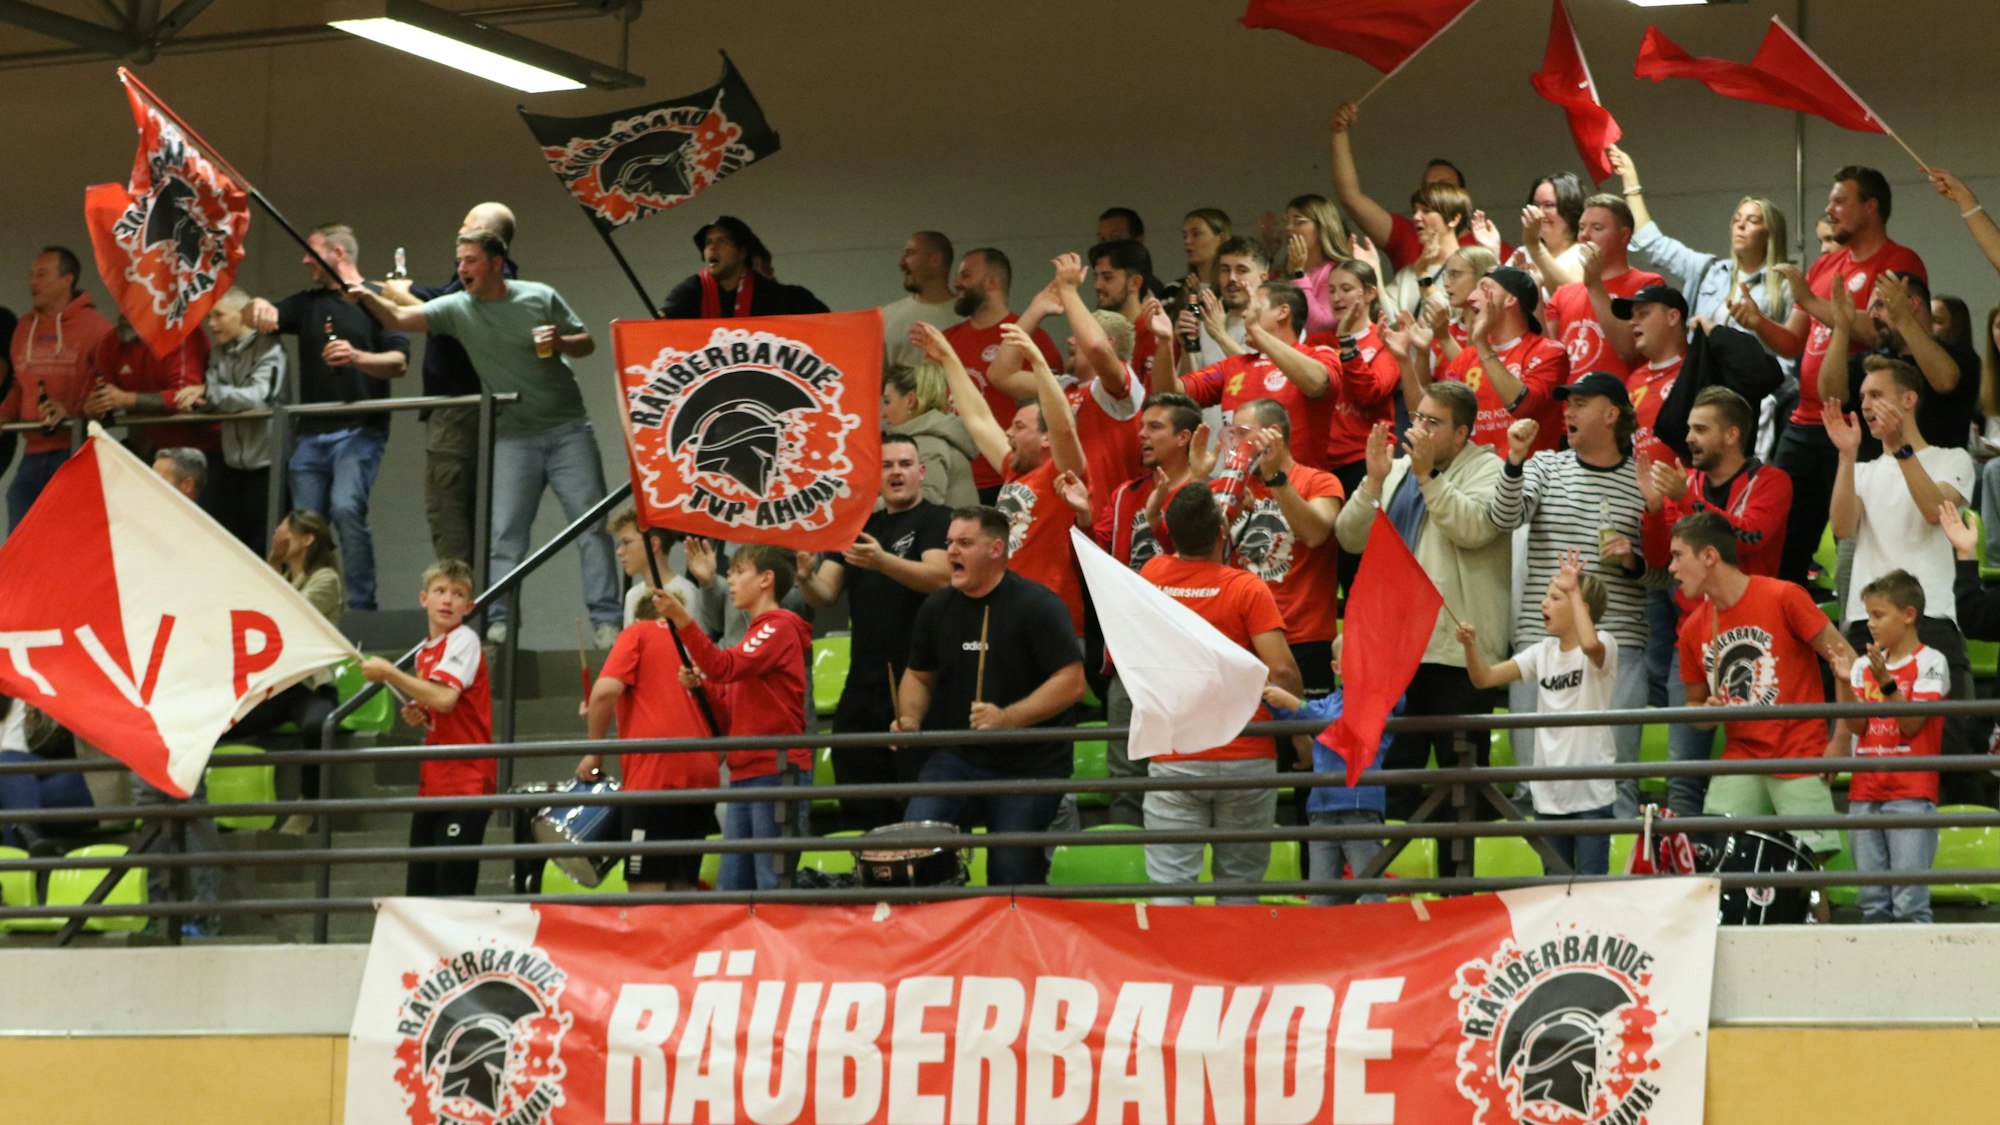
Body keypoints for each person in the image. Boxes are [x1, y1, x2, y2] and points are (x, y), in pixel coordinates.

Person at [348, 229, 620, 646]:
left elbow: (587, 342)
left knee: (592, 526)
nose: (461, 269)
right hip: (513, 436)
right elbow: (397, 318)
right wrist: (363, 293)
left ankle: (606, 622)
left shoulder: (539, 296)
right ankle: (500, 622)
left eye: (470, 260)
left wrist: (561, 340)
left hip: (568, 430)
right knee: (505, 535)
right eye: (459, 261)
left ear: (496, 262)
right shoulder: (457, 308)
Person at [1737, 166, 1928, 589]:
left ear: (1871, 207)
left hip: (1856, 422)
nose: (1829, 208)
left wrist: (1807, 298)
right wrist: (1757, 323)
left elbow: (1878, 330)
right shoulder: (1827, 264)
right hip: (1804, 420)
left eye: (1841, 201)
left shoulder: (1899, 261)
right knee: (1782, 534)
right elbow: (1792, 342)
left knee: (1856, 537)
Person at [1335, 384, 1512, 820]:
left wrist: (1428, 478)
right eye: (1416, 417)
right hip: (1396, 650)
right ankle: (1395, 880)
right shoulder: (1395, 472)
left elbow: (1473, 529)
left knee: (1462, 782)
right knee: (1396, 778)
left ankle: (1464, 885)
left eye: (1432, 422)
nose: (1418, 428)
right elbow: (1349, 536)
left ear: (1461, 433)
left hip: (1458, 654)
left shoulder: (1489, 470)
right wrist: (1374, 481)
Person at [1489, 375, 1660, 818]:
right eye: (1568, 404)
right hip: (1541, 643)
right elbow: (1505, 517)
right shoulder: (1545, 465)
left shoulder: (1642, 479)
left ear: (1612, 414)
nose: (1568, 412)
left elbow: (1669, 575)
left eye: (1581, 404)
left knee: (1617, 780)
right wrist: (1514, 461)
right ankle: (1540, 884)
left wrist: (1634, 562)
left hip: (1616, 642)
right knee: (1531, 780)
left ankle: (1612, 887)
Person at [895, 506, 1087, 886]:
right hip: (956, 755)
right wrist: (911, 717)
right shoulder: (937, 608)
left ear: (996, 549)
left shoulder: (1037, 605)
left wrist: (1006, 718)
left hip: (1030, 763)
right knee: (916, 844)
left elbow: (1072, 681)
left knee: (1011, 871)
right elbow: (918, 675)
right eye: (949, 542)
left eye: (964, 543)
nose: (951, 552)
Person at [1136, 486, 1300, 903]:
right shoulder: (1248, 589)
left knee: (1170, 890)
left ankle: (1170, 969)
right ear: (1222, 533)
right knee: (1240, 888)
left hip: (1175, 754)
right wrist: (1302, 735)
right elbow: (1281, 669)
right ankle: (1236, 967)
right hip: (1247, 753)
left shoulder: (1151, 576)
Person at [1638, 387, 1792, 816]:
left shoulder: (1771, 481)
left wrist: (1686, 499)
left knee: (1770, 772)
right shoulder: (1684, 485)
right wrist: (1654, 508)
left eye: (1700, 429)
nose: (1689, 437)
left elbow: (1749, 537)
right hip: (1694, 645)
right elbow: (1657, 561)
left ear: (1731, 435)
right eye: (1689, 428)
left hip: (1759, 644)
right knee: (1683, 777)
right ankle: (1688, 876)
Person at [1669, 511, 1856, 861]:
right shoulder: (1693, 627)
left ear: (1709, 556)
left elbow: (1848, 662)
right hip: (1742, 757)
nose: (1671, 568)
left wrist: (1841, 738)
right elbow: (1694, 708)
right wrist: (1705, 715)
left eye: (1678, 556)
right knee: (1718, 858)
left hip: (1800, 751)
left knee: (1805, 867)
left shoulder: (1784, 596)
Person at [246, 224, 410, 611]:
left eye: (312, 252)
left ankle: (360, 607)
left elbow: (399, 362)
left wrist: (357, 357)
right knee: (305, 525)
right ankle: (308, 605)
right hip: (312, 434)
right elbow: (250, 312)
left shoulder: (377, 301)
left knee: (346, 507)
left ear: (338, 253)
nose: (305, 260)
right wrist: (258, 306)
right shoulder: (308, 303)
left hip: (361, 430)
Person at [797, 434, 952, 831]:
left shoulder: (937, 519)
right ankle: (872, 880)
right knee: (859, 789)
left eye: (904, 464)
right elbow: (826, 593)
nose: (896, 472)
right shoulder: (859, 525)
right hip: (864, 680)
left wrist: (883, 562)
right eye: (887, 466)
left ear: (921, 472)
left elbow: (940, 577)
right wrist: (804, 578)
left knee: (919, 799)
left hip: (922, 679)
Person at [1827, 357, 1976, 765]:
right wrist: (1845, 455)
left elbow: (1934, 511)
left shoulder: (1953, 459)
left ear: (1908, 399)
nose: (1865, 405)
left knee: (1947, 755)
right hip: (1866, 624)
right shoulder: (1863, 469)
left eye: (1876, 395)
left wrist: (1902, 449)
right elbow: (1842, 528)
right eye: (1862, 397)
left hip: (1931, 619)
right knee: (1873, 753)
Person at [655, 545, 813, 891]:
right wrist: (703, 689)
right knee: (732, 889)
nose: (731, 579)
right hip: (747, 772)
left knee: (772, 886)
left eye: (740, 571)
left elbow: (723, 667)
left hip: (776, 771)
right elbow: (727, 714)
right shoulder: (754, 638)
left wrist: (683, 619)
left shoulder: (780, 627)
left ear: (766, 579)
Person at [919, 319, 1089, 633]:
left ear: (1046, 438)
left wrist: (1038, 363)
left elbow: (1064, 426)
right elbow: (979, 418)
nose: (1008, 432)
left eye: (1020, 427)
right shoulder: (1014, 469)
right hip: (1006, 609)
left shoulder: (1063, 474)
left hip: (1049, 613)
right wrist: (949, 359)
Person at [1086, 390, 1207, 824]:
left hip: (1188, 659)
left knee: (1189, 772)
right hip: (1131, 657)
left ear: (1184, 437)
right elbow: (1105, 559)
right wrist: (1083, 517)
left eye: (1155, 427)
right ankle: (1126, 880)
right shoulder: (1124, 496)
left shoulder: (1206, 493)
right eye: (1142, 426)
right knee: (1126, 778)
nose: (1142, 435)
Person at [1458, 551, 1619, 875]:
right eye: (1548, 596)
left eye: (1555, 597)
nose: (1545, 603)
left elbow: (1589, 646)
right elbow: (1485, 678)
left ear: (1580, 609)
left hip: (1591, 796)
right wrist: (1470, 646)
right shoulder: (1541, 652)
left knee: (1592, 893)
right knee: (1555, 895)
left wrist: (1574, 590)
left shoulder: (1605, 643)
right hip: (1548, 798)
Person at [382, 201, 518, 567]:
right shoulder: (490, 281)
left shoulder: (490, 285)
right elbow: (444, 302)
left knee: (450, 514)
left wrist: (401, 298)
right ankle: (479, 611)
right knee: (474, 522)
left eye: (467, 223)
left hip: (459, 411)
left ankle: (464, 609)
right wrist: (404, 292)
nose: (459, 229)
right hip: (472, 409)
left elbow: (449, 322)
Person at [361, 559, 494, 897]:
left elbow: (447, 697)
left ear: (469, 605)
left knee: (452, 886)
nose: (448, 600)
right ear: (424, 598)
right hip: (435, 779)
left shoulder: (464, 639)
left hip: (466, 780)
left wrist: (391, 673)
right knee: (420, 886)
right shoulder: (425, 652)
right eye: (440, 591)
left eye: (458, 593)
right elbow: (441, 708)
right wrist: (424, 714)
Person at [573, 600, 723, 893]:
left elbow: (605, 692)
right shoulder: (700, 647)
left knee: (647, 896)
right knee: (683, 890)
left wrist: (595, 752)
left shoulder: (637, 632)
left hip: (655, 779)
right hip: (702, 781)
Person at [987, 255, 1141, 529]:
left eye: (1076, 334)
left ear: (1111, 343)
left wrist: (1069, 290)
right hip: (1061, 519)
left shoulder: (1121, 391)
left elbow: (1094, 347)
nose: (1070, 339)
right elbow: (1001, 374)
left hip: (1104, 524)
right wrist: (1036, 310)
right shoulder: (1066, 385)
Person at [226, 510, 345, 834]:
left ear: (307, 539)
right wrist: (274, 563)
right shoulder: (284, 578)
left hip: (310, 684)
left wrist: (273, 569)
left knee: (317, 725)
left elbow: (283, 616)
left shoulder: (326, 579)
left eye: (286, 531)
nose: (278, 535)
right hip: (276, 685)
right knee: (220, 724)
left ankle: (308, 805)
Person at [1840, 568, 1946, 924]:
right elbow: (1856, 724)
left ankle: (1919, 981)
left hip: (1911, 794)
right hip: (1863, 791)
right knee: (1872, 905)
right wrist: (1843, 681)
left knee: (1910, 904)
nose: (1870, 623)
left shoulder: (1932, 662)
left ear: (1909, 614)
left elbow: (1912, 723)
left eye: (1879, 614)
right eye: (1868, 614)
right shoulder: (1860, 667)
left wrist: (1885, 679)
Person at [1610, 144, 1795, 343]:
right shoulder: (1709, 270)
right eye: (1737, 219)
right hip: (1703, 373)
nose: (1740, 225)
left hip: (1754, 374)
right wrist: (1631, 182)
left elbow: (1788, 355)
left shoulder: (1785, 286)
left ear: (1770, 234)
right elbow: (1653, 244)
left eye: (1752, 221)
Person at [1155, 280, 1339, 471]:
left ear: (1282, 312)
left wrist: (1256, 330)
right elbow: (1169, 395)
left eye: (1253, 307)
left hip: (1299, 491)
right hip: (1238, 491)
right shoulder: (1234, 366)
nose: (1244, 314)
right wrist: (1164, 342)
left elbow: (1317, 384)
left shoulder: (1319, 355)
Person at [1398, 266, 1569, 457]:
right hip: (1474, 477)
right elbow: (1424, 415)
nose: (1471, 297)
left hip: (1528, 477)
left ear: (1510, 299)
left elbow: (1522, 406)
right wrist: (1406, 359)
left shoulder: (1550, 351)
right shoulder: (1467, 357)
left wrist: (1481, 344)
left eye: (1484, 288)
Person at [1261, 668, 1396, 905]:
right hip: (1322, 811)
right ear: (1336, 667)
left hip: (1360, 809)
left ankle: (1377, 941)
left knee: (1371, 896)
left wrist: (1295, 703)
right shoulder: (1329, 702)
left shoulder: (1379, 701)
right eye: (1352, 655)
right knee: (1321, 899)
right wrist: (1268, 694)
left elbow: (1339, 724)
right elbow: (1298, 716)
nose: (1360, 661)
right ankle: (1326, 942)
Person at [1328, 100, 1506, 279]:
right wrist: (1339, 133)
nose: (1432, 193)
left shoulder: (1490, 245)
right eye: (1427, 187)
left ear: (1464, 196)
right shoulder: (1407, 235)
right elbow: (1350, 197)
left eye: (1443, 185)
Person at [940, 247, 1065, 500]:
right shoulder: (945, 341)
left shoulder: (1033, 339)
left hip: (1008, 474)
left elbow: (1053, 412)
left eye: (965, 275)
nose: (956, 283)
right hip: (955, 477)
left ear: (992, 282)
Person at [3, 246, 114, 527]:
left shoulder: (96, 327)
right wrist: (4, 416)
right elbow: (19, 384)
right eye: (31, 275)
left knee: (68, 533)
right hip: (32, 452)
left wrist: (73, 410)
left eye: (41, 274)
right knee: (21, 526)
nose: (32, 282)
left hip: (76, 450)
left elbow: (105, 388)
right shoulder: (25, 326)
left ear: (67, 280)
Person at [1821, 269, 1977, 452]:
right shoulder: (1871, 361)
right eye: (1871, 308)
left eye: (1880, 305)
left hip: (1937, 474)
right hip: (1879, 473)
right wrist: (1841, 327)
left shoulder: (1960, 357)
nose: (1872, 315)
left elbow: (1945, 381)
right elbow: (1832, 397)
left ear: (1913, 305)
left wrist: (1903, 317)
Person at [184, 289, 284, 550]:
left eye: (218, 315)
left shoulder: (271, 347)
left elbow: (259, 398)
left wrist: (209, 394)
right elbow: (214, 400)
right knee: (230, 546)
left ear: (242, 315)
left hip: (267, 464)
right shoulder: (217, 353)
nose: (211, 324)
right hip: (231, 463)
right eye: (209, 317)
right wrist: (198, 402)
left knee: (265, 546)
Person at [1544, 194, 1664, 380]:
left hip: (1620, 404)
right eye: (1582, 227)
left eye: (1597, 228)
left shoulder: (1647, 284)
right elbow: (1547, 359)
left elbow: (1627, 349)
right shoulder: (1563, 293)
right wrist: (1534, 293)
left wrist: (1594, 286)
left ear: (1623, 235)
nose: (1584, 235)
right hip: (1570, 405)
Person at [85, 317, 213, 463]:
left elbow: (184, 397)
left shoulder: (181, 331)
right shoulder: (112, 341)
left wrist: (126, 399)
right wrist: (95, 404)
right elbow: (96, 392)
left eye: (133, 305)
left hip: (197, 449)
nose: (124, 314)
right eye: (123, 305)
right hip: (147, 448)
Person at [660, 215, 828, 318]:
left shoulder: (773, 295)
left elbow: (826, 325)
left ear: (742, 253)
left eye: (722, 241)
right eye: (708, 242)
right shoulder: (692, 290)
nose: (712, 247)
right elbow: (660, 325)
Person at [882, 361, 978, 508]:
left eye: (887, 401)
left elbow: (927, 499)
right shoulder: (930, 436)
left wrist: (863, 506)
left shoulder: (928, 442)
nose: (883, 413)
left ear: (910, 400)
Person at [1278, 194, 1357, 337]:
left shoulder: (1337, 272)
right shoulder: (1286, 271)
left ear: (1322, 228)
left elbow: (1319, 326)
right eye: (1287, 222)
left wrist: (1299, 274)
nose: (1288, 228)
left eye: (1299, 222)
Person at [606, 508, 698, 627]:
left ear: (654, 544)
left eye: (627, 542)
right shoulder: (632, 595)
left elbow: (694, 643)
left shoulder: (687, 592)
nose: (619, 551)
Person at [881, 230, 957, 368]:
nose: (901, 262)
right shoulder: (886, 316)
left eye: (910, 253)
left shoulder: (969, 316)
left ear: (935, 260)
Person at [1516, 171, 1589, 289]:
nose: (1539, 213)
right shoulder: (1523, 252)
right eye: (1535, 205)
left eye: (1549, 205)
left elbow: (1572, 298)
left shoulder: (1584, 254)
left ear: (1571, 209)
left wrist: (1535, 246)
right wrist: (1492, 251)